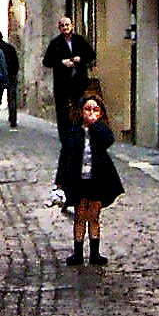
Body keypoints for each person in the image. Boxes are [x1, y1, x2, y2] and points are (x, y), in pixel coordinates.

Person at [57, 88, 124, 266]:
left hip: (97, 180)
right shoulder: (73, 131)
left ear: (101, 113)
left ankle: (95, 253)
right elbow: (64, 156)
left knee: (94, 217)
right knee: (79, 216)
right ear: (81, 111)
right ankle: (78, 253)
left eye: (95, 110)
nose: (91, 113)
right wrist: (60, 181)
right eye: (88, 109)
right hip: (78, 181)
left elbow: (107, 141)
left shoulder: (102, 130)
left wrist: (95, 126)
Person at [45, 16, 97, 177]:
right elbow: (47, 61)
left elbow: (91, 55)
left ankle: (80, 135)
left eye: (67, 25)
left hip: (79, 83)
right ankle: (65, 139)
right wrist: (61, 62)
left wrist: (80, 59)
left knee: (80, 109)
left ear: (72, 26)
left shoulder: (80, 41)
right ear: (59, 28)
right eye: (62, 25)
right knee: (62, 111)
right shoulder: (55, 43)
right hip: (62, 84)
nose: (65, 27)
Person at [0, 33, 24, 127]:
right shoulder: (10, 47)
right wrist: (14, 73)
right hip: (11, 74)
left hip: (0, 75)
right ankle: (13, 119)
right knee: (12, 98)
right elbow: (16, 61)